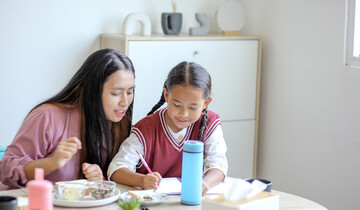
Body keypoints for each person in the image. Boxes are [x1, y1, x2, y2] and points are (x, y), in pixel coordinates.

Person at [0, 48, 135, 190]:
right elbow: (5, 168)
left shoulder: (117, 123)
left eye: (130, 92)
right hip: (29, 206)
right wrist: (52, 163)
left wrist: (100, 180)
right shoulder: (48, 116)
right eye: (116, 93)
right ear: (92, 90)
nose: (125, 102)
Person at [108, 61, 228, 195]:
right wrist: (142, 180)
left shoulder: (210, 124)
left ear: (206, 103)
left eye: (193, 107)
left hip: (194, 201)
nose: (183, 114)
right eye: (177, 105)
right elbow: (116, 169)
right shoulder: (146, 129)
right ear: (166, 95)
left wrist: (206, 183)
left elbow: (218, 164)